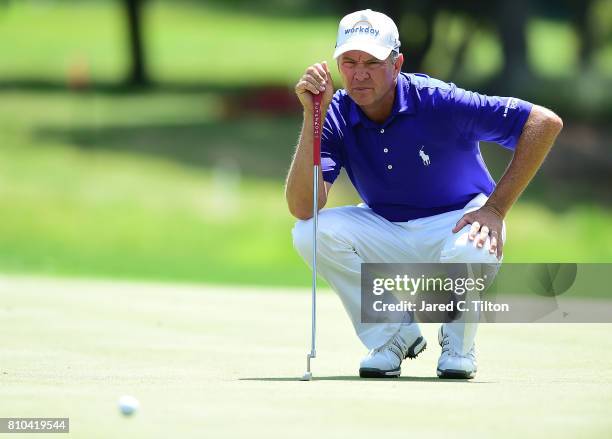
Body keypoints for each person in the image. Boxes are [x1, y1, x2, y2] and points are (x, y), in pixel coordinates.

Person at [285, 9, 562, 378]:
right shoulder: (335, 113)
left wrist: (495, 209)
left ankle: (458, 344)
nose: (359, 73)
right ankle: (394, 335)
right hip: (386, 228)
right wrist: (311, 117)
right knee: (310, 232)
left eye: (372, 61)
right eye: (349, 62)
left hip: (457, 221)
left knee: (473, 247)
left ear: (397, 63)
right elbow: (304, 206)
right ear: (337, 63)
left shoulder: (438, 100)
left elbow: (543, 123)